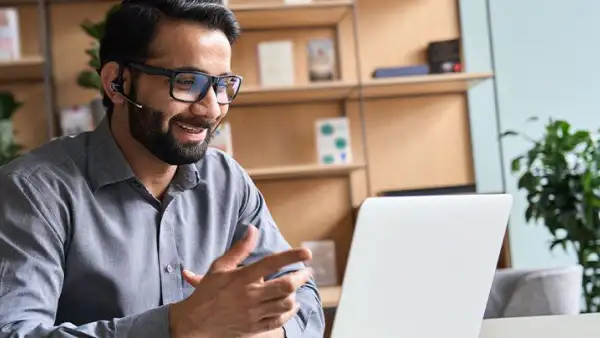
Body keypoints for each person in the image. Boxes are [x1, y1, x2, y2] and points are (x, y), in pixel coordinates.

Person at [0, 0, 325, 337]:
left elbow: (305, 301)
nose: (211, 108)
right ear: (116, 83)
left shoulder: (226, 181)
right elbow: (13, 332)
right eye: (186, 82)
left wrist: (259, 332)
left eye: (222, 85)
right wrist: (180, 325)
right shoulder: (32, 192)